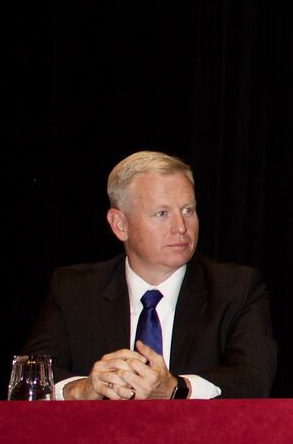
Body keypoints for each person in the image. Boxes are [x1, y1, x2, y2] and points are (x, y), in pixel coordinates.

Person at [21, 151, 277, 399]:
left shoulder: (235, 289)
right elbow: (30, 378)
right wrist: (82, 389)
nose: (181, 227)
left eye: (188, 210)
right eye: (162, 214)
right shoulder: (74, 289)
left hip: (194, 430)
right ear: (120, 225)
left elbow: (254, 380)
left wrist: (176, 389)